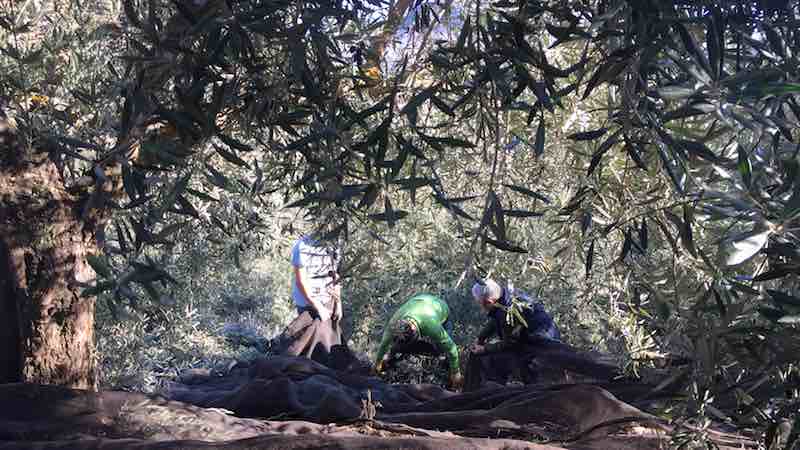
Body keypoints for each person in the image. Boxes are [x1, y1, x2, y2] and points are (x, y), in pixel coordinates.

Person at [465, 279, 561, 390]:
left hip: (542, 345)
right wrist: (481, 337)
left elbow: (510, 343)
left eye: (480, 303)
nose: (480, 306)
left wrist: (484, 349)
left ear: (489, 302)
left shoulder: (508, 312)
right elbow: (495, 318)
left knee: (529, 376)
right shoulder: (506, 294)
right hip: (539, 334)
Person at [274, 234, 342, 364]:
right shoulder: (302, 246)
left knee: (328, 341)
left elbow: (336, 275)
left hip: (328, 301)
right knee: (305, 342)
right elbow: (301, 282)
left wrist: (338, 304)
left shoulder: (334, 243)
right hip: (307, 303)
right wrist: (318, 307)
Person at [374, 293, 464, 390]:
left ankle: (446, 370)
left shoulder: (431, 326)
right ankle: (391, 360)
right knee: (397, 348)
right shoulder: (393, 325)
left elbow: (452, 348)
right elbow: (383, 346)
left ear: (416, 331)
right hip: (419, 301)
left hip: (439, 307)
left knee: (441, 349)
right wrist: (378, 364)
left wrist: (455, 372)